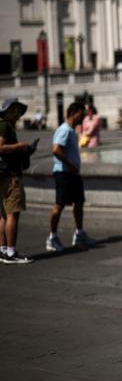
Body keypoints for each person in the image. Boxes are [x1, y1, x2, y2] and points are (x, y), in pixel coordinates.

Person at [47, 102, 96, 252]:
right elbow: (56, 149)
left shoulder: (72, 131)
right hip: (64, 173)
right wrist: (70, 164)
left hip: (72, 173)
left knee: (79, 202)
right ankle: (52, 237)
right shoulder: (64, 130)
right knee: (59, 204)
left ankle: (79, 233)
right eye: (81, 115)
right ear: (74, 114)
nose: (83, 118)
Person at [0, 98, 37, 264]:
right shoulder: (5, 126)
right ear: (7, 112)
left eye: (18, 111)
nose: (18, 114)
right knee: (13, 214)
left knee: (3, 215)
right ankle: (11, 252)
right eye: (14, 110)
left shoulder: (5, 126)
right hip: (10, 176)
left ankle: (2, 250)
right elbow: (0, 147)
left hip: (4, 175)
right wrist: (20, 146)